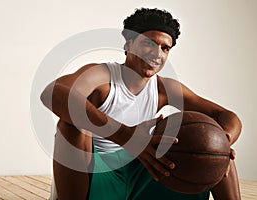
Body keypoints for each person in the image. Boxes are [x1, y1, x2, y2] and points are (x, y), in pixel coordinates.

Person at [41, 8, 242, 200]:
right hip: (97, 173)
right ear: (128, 45)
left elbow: (226, 116)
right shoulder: (102, 76)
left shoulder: (164, 88)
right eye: (149, 43)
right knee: (71, 124)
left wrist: (223, 141)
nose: (157, 53)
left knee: (215, 151)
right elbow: (53, 93)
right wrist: (127, 136)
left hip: (142, 168)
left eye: (165, 48)